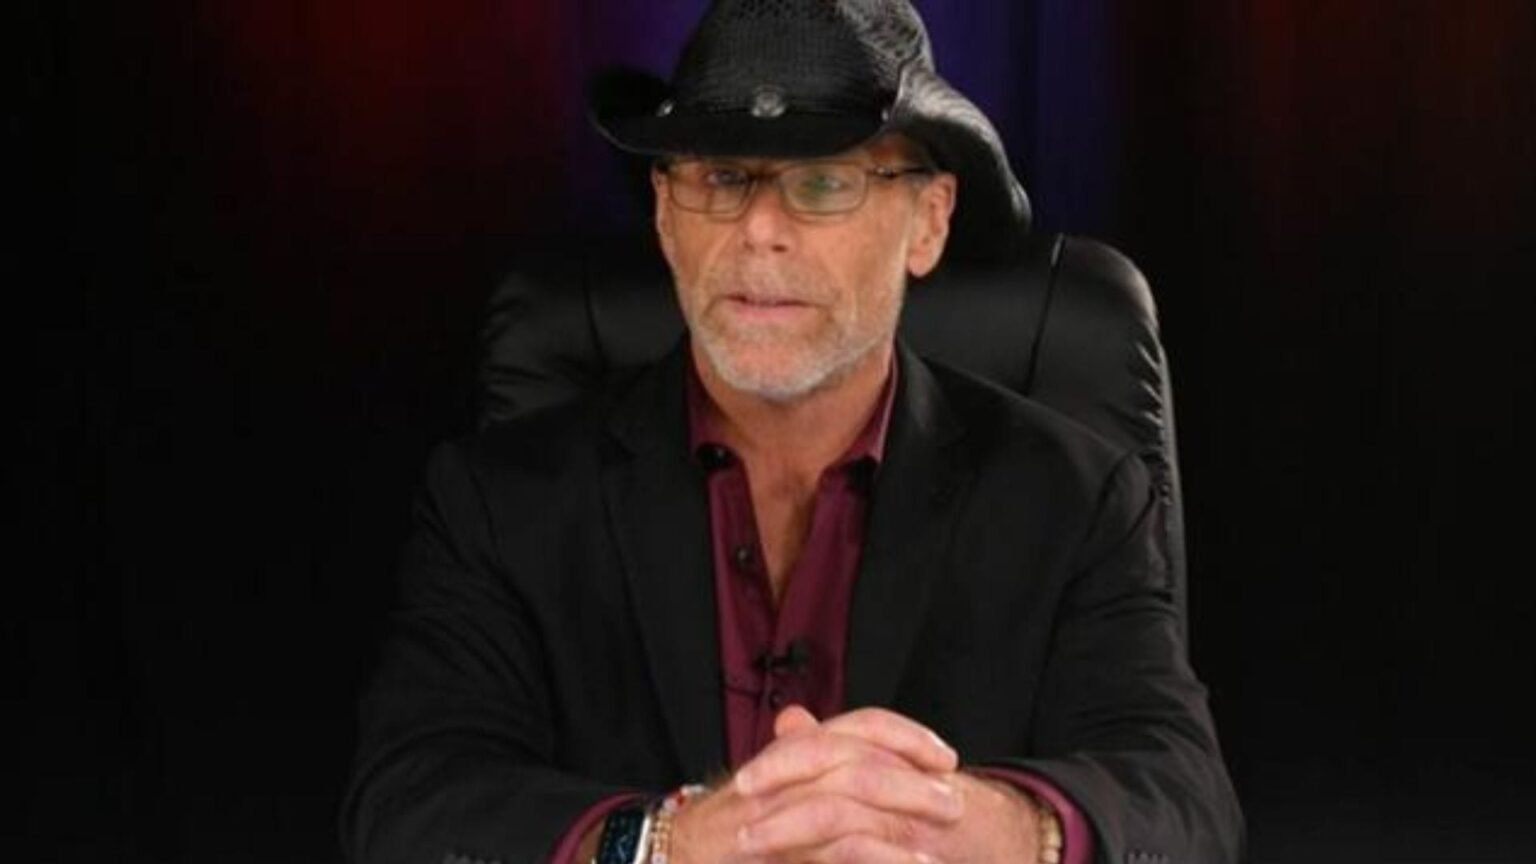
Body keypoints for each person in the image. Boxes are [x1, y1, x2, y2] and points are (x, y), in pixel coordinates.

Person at [342, 1, 1244, 862]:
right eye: (720, 178)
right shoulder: (496, 500)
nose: (760, 231)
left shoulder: (1075, 496)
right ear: (665, 214)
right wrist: (668, 847)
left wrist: (994, 832)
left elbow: (1184, 799)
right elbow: (407, 804)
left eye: (823, 182)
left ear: (928, 222)